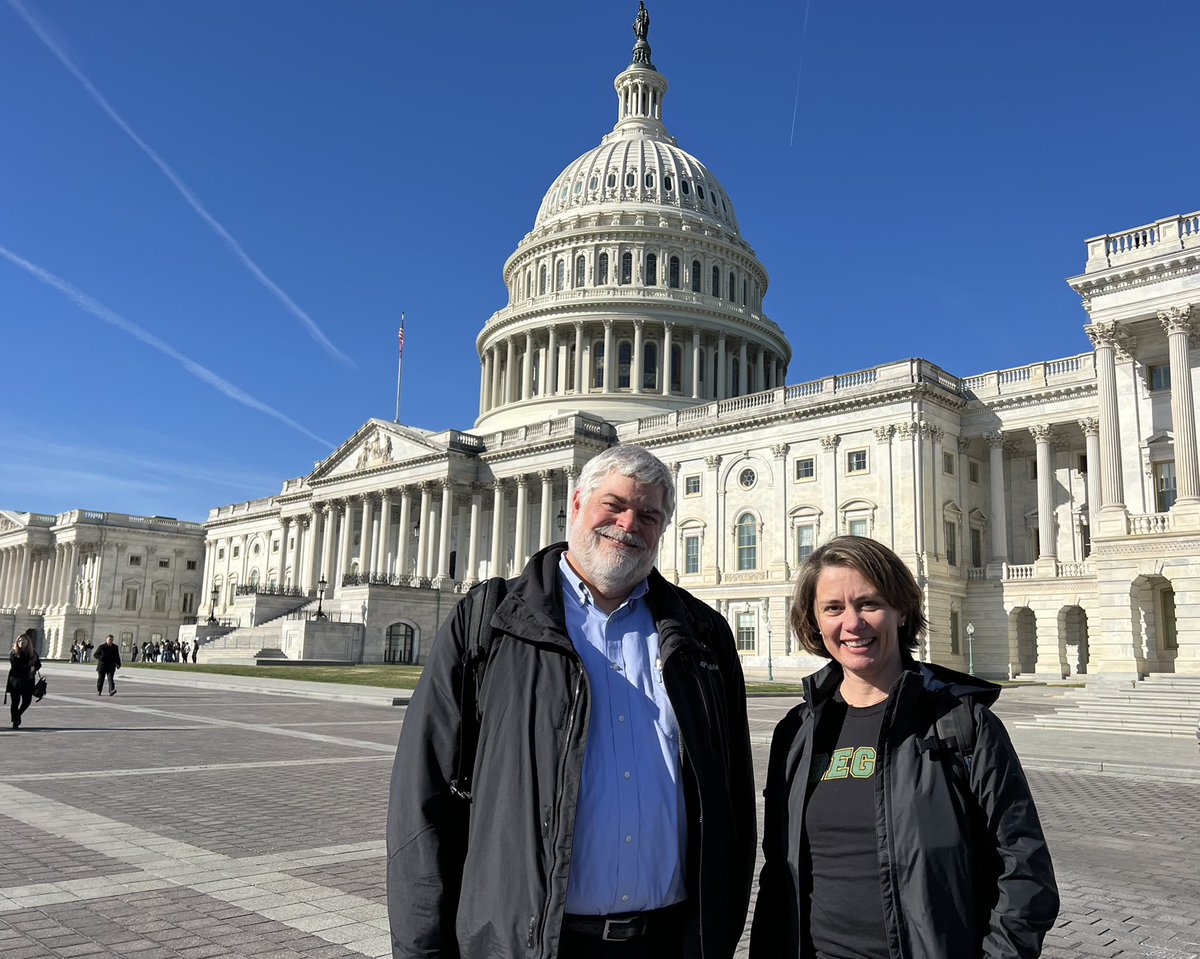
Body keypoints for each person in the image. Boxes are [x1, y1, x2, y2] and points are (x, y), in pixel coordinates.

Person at [387, 444, 755, 959]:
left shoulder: (702, 633)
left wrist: (718, 929)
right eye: (615, 505)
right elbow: (423, 796)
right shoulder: (489, 620)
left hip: (669, 939)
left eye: (649, 515)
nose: (629, 524)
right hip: (536, 941)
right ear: (576, 503)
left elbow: (732, 793)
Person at [749, 536, 1059, 959]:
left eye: (869, 603)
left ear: (900, 610)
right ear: (815, 622)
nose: (852, 623)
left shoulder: (963, 725)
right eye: (833, 608)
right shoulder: (798, 730)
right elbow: (779, 874)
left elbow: (1025, 871)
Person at [6, 629, 42, 729]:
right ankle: (15, 721)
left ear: (28, 642)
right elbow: (15, 666)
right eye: (19, 641)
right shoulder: (13, 653)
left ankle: (17, 715)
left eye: (23, 641)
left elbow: (38, 664)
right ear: (17, 642)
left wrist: (34, 667)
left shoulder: (32, 653)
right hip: (15, 681)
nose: (21, 643)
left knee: (27, 701)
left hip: (28, 681)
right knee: (15, 702)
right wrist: (29, 667)